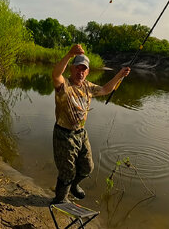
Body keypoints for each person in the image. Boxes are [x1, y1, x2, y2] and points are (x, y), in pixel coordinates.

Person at [51, 44, 131, 204]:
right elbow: (55, 74)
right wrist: (69, 55)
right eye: (78, 69)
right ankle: (60, 200)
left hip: (81, 133)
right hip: (63, 134)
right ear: (71, 69)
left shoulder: (88, 86)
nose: (80, 72)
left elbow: (105, 90)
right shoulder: (64, 85)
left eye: (84, 69)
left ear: (87, 71)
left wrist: (119, 76)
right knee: (67, 171)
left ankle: (74, 185)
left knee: (88, 167)